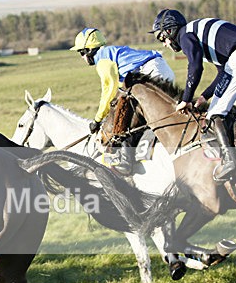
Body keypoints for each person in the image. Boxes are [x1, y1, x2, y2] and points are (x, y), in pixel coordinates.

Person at [150, 9, 236, 181]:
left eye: (162, 38)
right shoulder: (196, 32)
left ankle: (230, 160)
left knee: (214, 114)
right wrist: (204, 96)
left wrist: (186, 99)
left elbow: (195, 66)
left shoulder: (185, 35)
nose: (164, 44)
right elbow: (222, 73)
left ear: (170, 30)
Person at [70, 27, 175, 175]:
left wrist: (98, 119)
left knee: (124, 112)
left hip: (151, 71)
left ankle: (126, 161)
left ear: (89, 50)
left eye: (81, 52)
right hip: (160, 67)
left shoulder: (103, 61)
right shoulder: (110, 52)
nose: (81, 57)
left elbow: (108, 91)